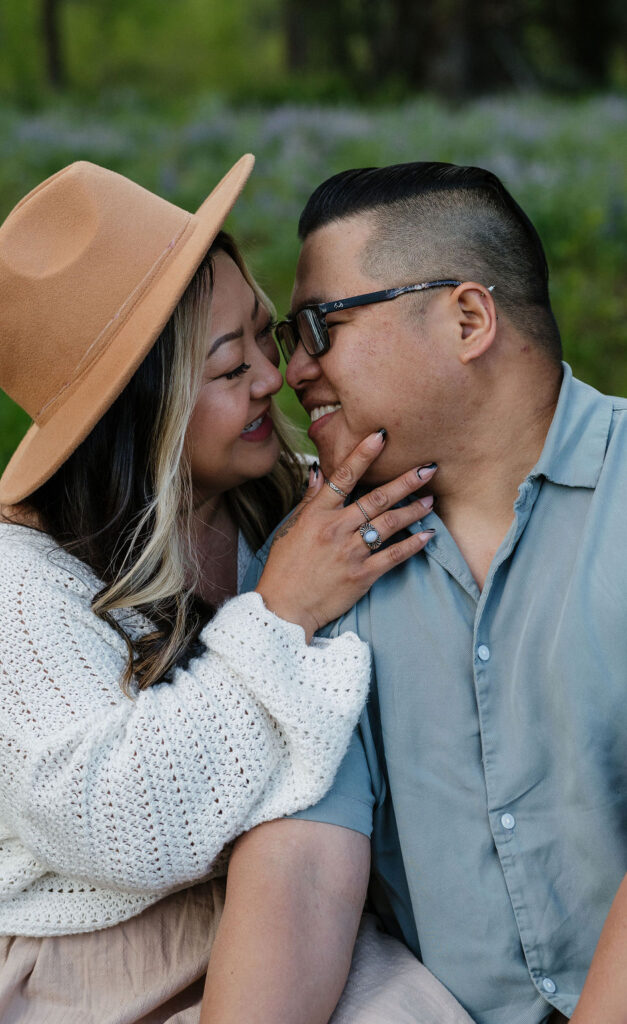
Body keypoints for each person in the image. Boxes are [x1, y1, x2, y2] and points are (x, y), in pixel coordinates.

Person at [0, 157, 436, 1023]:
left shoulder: (271, 504)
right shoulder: (0, 591)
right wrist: (280, 613)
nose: (271, 378)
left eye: (261, 331)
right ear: (139, 413)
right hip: (68, 960)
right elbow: (119, 827)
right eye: (223, 366)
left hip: (272, 899)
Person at [200, 162, 627, 1024]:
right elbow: (301, 866)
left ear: (466, 317)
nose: (293, 373)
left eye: (321, 326)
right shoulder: (317, 562)